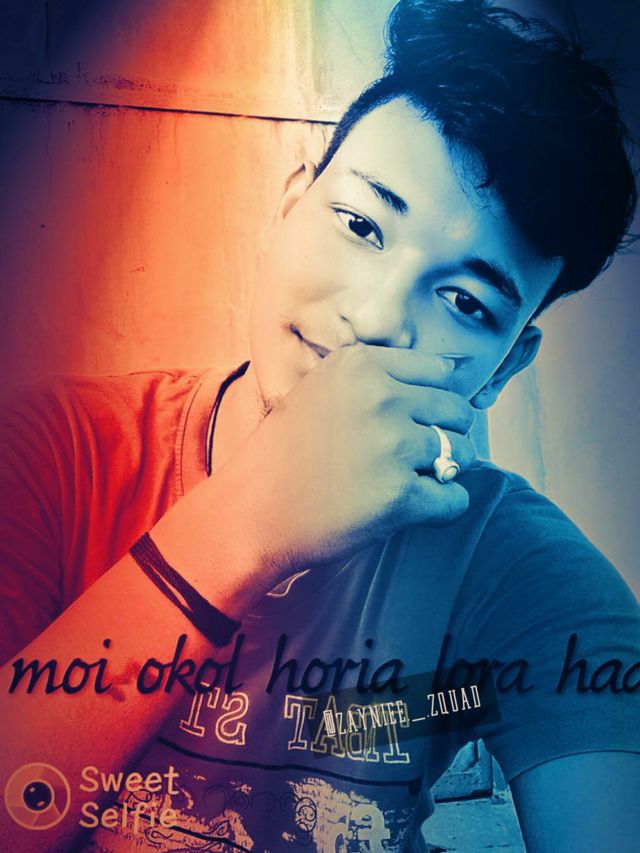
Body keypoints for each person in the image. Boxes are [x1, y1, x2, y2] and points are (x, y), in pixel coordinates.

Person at [1, 0, 639, 850]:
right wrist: (244, 526)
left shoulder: (517, 567)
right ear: (290, 204)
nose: (374, 317)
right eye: (361, 225)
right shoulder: (54, 453)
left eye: (464, 301)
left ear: (505, 366)